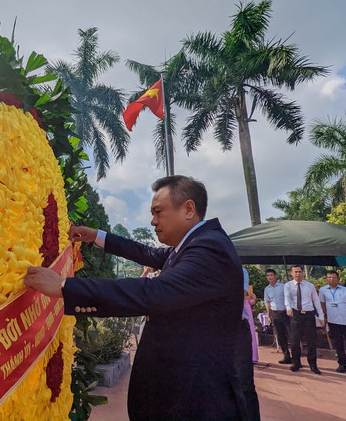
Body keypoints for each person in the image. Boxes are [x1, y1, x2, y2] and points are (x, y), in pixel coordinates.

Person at [24, 175, 247, 421]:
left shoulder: (209, 250)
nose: (152, 221)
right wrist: (96, 236)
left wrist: (66, 286)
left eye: (158, 212)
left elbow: (152, 292)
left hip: (195, 401)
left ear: (188, 209)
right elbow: (147, 253)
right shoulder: (190, 245)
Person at [284, 265, 324, 374]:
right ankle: (296, 362)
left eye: (300, 272)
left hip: (308, 315)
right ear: (292, 273)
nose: (298, 274)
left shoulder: (310, 286)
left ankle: (313, 365)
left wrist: (321, 316)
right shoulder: (288, 285)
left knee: (311, 341)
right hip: (295, 314)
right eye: (295, 272)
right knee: (295, 340)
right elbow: (287, 298)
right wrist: (288, 308)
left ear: (303, 273)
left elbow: (316, 301)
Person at [236, 267, 260, 421]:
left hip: (237, 326)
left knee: (244, 382)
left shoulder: (239, 269)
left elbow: (241, 294)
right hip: (213, 328)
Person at [264, 268, 291, 364]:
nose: (269, 277)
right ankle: (286, 355)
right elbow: (267, 302)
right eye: (267, 275)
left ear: (275, 276)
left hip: (285, 312)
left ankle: (296, 356)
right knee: (280, 336)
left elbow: (289, 298)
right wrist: (268, 315)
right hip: (275, 313)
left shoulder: (283, 286)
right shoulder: (267, 289)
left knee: (291, 334)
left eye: (271, 275)